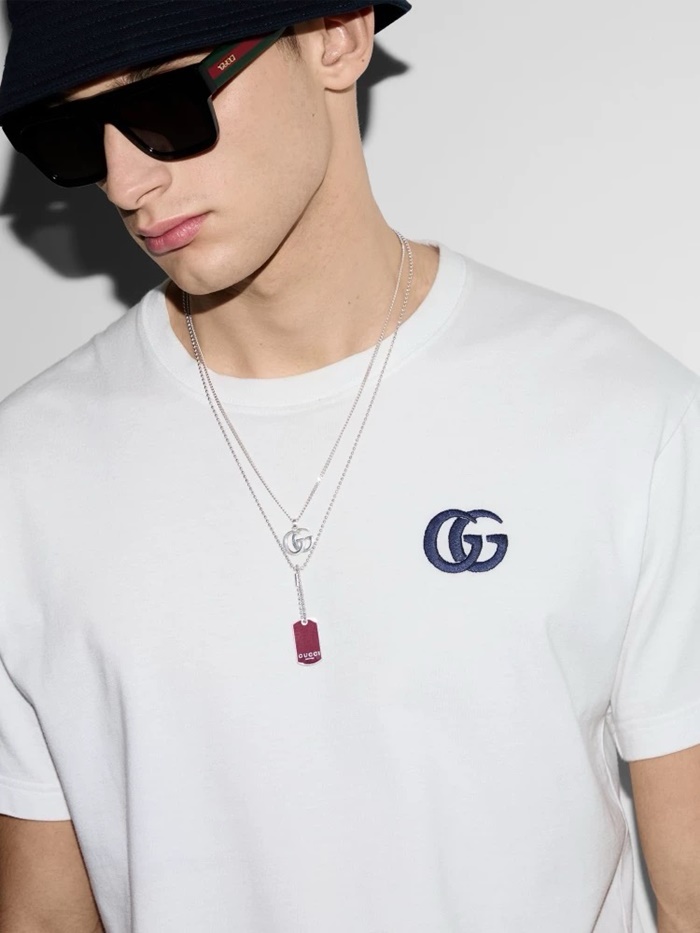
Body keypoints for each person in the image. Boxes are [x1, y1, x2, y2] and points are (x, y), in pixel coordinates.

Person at [0, 2, 698, 931]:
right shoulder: (28, 476)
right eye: (72, 133)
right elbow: (45, 918)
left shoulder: (616, 410)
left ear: (338, 35)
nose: (126, 180)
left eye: (164, 103)